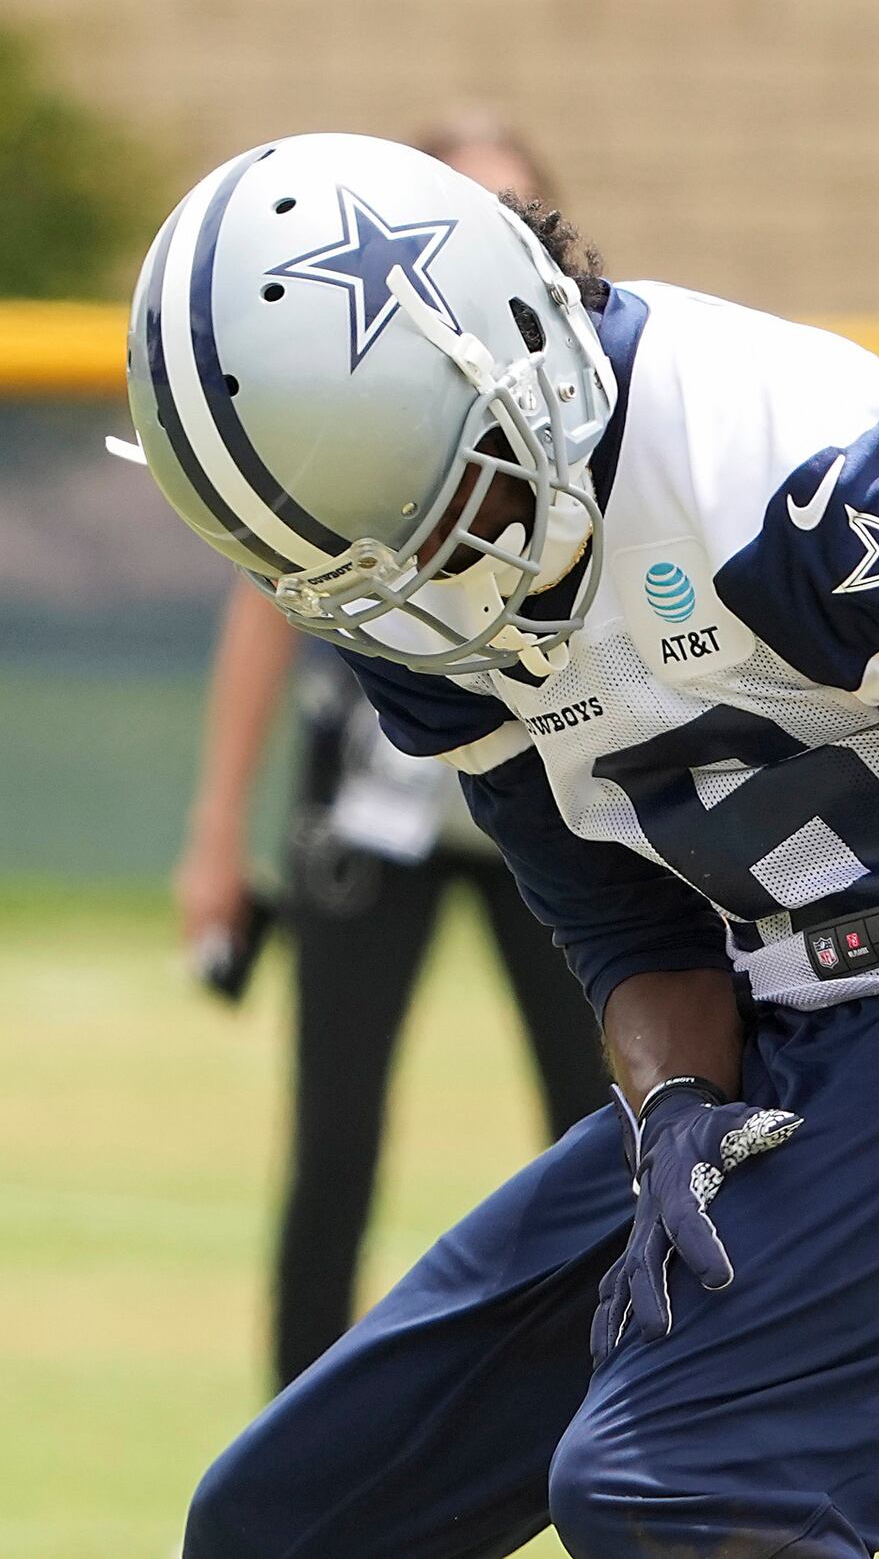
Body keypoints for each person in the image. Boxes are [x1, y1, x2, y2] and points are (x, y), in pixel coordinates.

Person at [127, 133, 879, 1558]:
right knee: (279, 1521)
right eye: (365, 550)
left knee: (666, 1490)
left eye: (445, 501)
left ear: (523, 358)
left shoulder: (792, 466)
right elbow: (618, 920)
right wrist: (679, 1108)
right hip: (781, 1028)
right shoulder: (410, 608)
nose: (429, 581)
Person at [173, 114, 610, 1388]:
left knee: (610, 1125)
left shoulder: (590, 392)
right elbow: (265, 603)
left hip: (551, 805)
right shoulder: (339, 393)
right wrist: (217, 836)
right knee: (333, 1138)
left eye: (514, 212)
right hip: (381, 809)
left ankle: (618, 1406)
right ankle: (297, 1438)